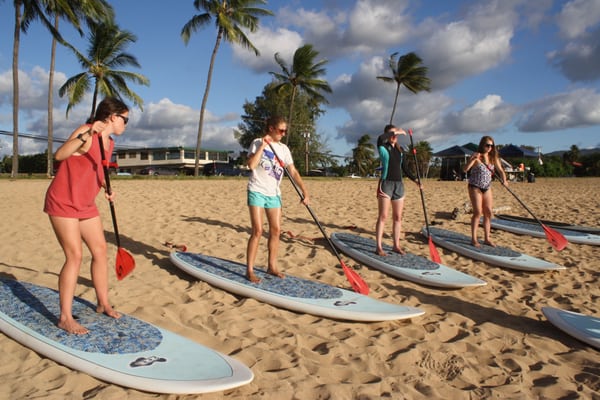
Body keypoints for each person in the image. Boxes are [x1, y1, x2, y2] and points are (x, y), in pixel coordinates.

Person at [44, 97, 129, 334]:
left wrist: (107, 188)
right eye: (125, 119)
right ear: (113, 117)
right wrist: (88, 134)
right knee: (75, 256)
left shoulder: (109, 143)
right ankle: (65, 317)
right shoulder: (86, 131)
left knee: (100, 251)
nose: (126, 124)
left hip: (85, 205)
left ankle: (103, 302)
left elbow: (98, 171)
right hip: (63, 201)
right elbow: (60, 155)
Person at [245, 116, 310, 283]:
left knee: (275, 231)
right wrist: (264, 146)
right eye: (281, 130)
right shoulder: (257, 142)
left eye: (285, 130)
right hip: (257, 190)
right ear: (271, 129)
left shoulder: (283, 149)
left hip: (274, 194)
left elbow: (293, 171)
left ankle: (271, 266)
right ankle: (250, 270)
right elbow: (251, 165)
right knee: (258, 231)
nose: (283, 133)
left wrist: (304, 191)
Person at [375, 124, 419, 256]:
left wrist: (415, 180)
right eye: (391, 134)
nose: (394, 136)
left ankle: (396, 245)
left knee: (398, 217)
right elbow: (379, 138)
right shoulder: (383, 148)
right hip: (386, 184)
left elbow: (405, 168)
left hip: (399, 185)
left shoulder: (400, 151)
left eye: (396, 134)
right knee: (383, 216)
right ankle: (378, 247)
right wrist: (396, 131)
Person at [463, 135, 508, 247]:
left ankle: (487, 238)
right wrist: (472, 159)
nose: (489, 148)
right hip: (475, 186)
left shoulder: (493, 158)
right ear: (482, 145)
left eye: (491, 146)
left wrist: (504, 180)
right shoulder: (477, 156)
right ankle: (474, 239)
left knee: (488, 212)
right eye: (487, 145)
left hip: (487, 187)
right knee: (478, 212)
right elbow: (465, 169)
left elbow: (501, 171)